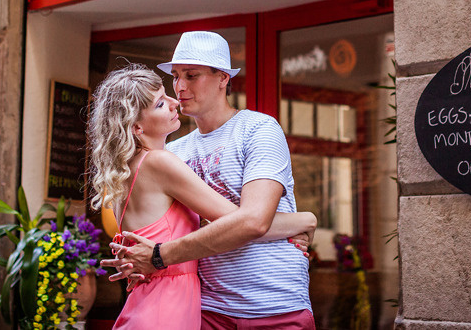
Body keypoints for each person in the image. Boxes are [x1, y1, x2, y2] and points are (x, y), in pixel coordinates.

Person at [104, 31, 315, 329]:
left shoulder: (258, 129)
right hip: (208, 309)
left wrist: (158, 255)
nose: (179, 87)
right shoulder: (172, 151)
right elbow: (245, 222)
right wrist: (301, 222)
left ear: (223, 78)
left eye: (191, 75)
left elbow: (253, 222)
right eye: (176, 76)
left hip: (275, 305)